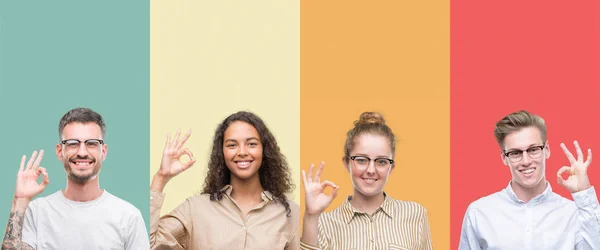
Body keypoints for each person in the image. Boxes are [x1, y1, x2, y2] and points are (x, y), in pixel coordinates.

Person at [1, 107, 149, 249]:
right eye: (72, 144)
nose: (82, 152)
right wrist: (20, 201)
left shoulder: (128, 216)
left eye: (92, 143)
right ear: (60, 151)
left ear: (103, 151)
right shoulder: (37, 212)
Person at [150, 111, 300, 249]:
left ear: (264, 150)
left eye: (252, 144)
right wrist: (161, 177)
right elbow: (143, 244)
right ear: (222, 153)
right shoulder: (195, 210)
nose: (242, 152)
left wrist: (312, 216)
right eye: (232, 145)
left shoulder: (289, 213)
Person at [458, 110, 600, 249]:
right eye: (515, 153)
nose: (526, 161)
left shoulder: (575, 213)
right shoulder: (479, 213)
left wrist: (584, 193)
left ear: (547, 150)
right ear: (504, 157)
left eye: (533, 150)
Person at [300, 112, 433, 250]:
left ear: (391, 167)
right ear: (347, 163)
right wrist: (311, 216)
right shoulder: (322, 224)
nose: (371, 169)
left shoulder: (415, 215)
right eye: (362, 160)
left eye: (381, 161)